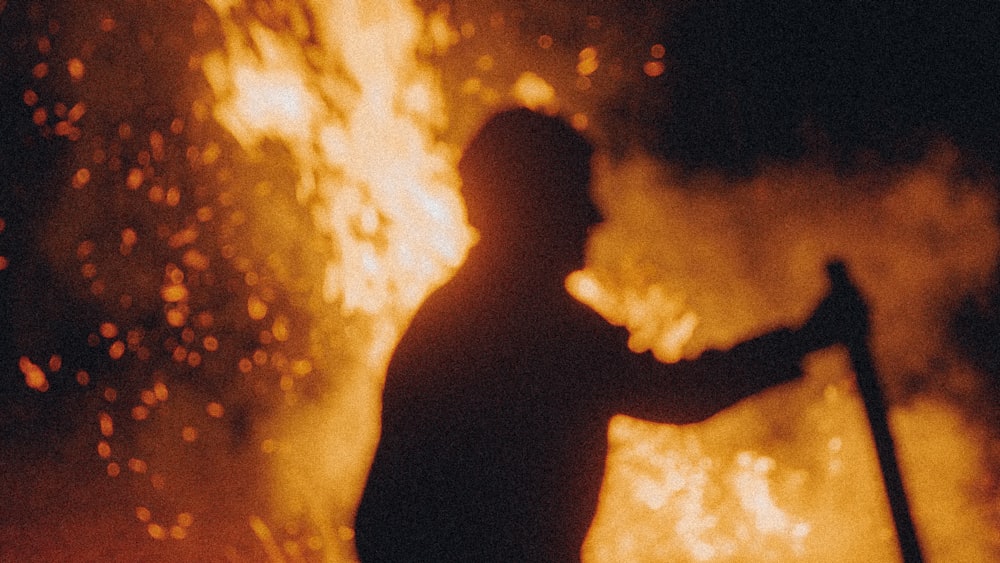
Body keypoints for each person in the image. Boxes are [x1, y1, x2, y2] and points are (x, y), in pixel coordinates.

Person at [353, 108, 868, 562]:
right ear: (535, 205)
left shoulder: (451, 315)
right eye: (576, 194)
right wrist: (807, 338)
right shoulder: (538, 327)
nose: (595, 218)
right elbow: (679, 395)